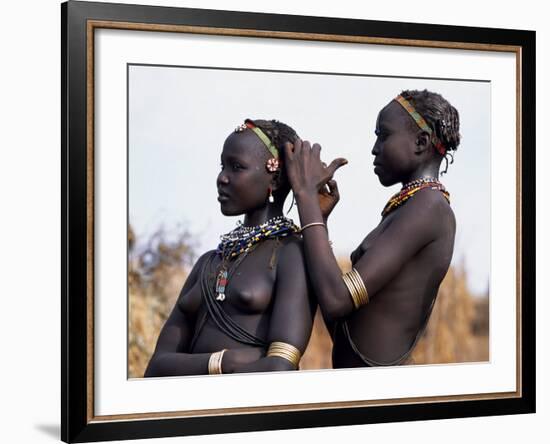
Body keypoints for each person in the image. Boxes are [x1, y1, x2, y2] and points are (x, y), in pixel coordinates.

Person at [284, 89, 460, 368]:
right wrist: (319, 220)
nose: (374, 148)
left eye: (384, 135)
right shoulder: (410, 208)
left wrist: (305, 197)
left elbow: (335, 300)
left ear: (421, 141)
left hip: (384, 394)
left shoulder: (429, 208)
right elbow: (344, 326)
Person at [145, 119, 315, 377]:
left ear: (276, 179)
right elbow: (156, 367)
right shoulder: (208, 262)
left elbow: (281, 366)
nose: (222, 178)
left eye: (237, 167)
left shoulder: (291, 254)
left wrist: (193, 367)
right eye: (222, 166)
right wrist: (226, 362)